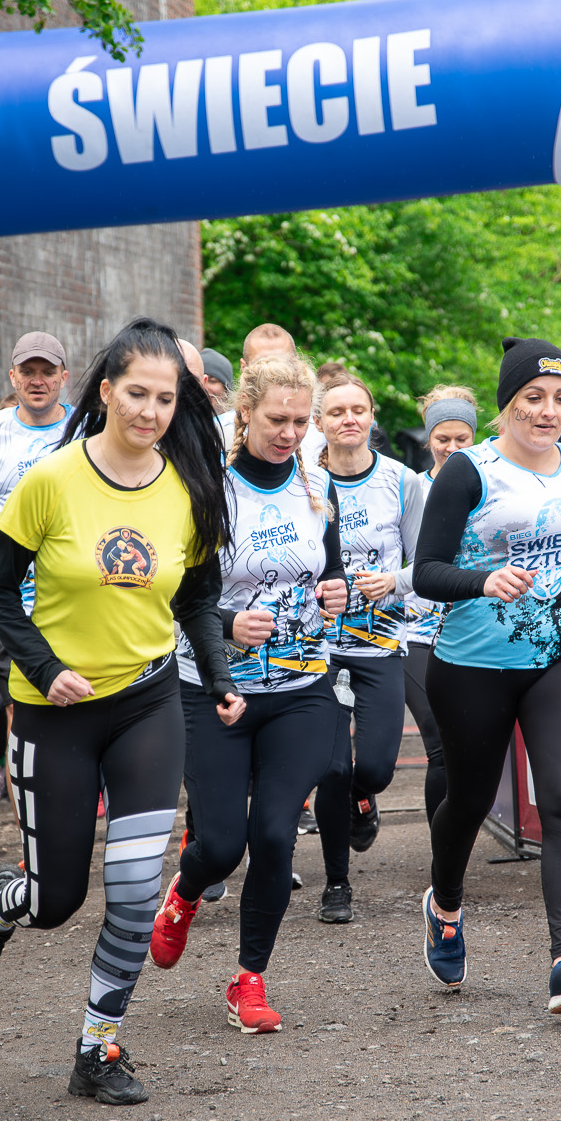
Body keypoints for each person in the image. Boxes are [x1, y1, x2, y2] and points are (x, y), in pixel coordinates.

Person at [0, 318, 240, 1107]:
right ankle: (0, 903)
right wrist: (46, 668)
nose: (150, 410)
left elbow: (197, 595)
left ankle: (98, 1047)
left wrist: (217, 675)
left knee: (138, 890)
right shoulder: (51, 480)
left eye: (165, 398)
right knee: (56, 901)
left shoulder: (189, 486)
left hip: (148, 702)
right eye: (137, 393)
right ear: (107, 390)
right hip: (56, 712)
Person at [411, 338, 561, 1014]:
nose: (548, 411)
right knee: (469, 799)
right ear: (508, 403)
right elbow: (426, 571)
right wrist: (482, 580)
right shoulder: (469, 470)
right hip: (474, 663)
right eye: (533, 397)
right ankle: (445, 904)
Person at [148, 354, 348, 1034]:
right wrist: (228, 623)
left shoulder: (319, 483)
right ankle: (184, 892)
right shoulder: (205, 489)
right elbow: (173, 593)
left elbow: (331, 568)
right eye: (276, 420)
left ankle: (249, 979)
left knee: (274, 834)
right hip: (214, 687)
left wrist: (336, 590)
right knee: (221, 845)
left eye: (300, 421)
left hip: (301, 687)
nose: (290, 433)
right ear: (245, 414)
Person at [311, 370, 427, 924]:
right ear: (319, 423)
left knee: (375, 768)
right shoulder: (304, 484)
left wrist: (394, 582)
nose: (349, 419)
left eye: (358, 409)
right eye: (336, 412)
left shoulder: (403, 482)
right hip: (317, 649)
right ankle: (337, 884)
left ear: (372, 416)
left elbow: (427, 564)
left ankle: (365, 796)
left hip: (381, 643)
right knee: (331, 769)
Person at [0, 331, 73, 846]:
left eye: (47, 371)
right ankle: (33, 832)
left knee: (76, 697)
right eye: (28, 371)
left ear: (64, 377)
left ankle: (76, 802)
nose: (37, 380)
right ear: (13, 377)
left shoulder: (86, 428)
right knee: (19, 707)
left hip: (74, 593)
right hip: (10, 596)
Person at [398, 386, 477, 830]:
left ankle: (455, 839)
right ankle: (440, 851)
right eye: (442, 439)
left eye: (461, 438)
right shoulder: (412, 488)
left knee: (468, 749)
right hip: (417, 633)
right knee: (440, 746)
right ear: (428, 439)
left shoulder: (489, 482)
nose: (451, 447)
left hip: (472, 630)